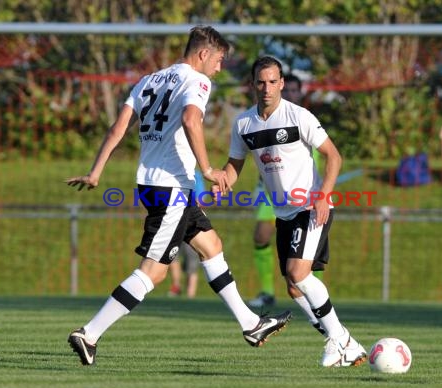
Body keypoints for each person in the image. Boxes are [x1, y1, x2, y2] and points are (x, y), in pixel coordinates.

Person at [64, 27, 291, 366]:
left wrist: (96, 172)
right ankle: (90, 333)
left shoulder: (148, 81)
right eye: (218, 61)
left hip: (158, 185)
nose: (218, 68)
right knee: (153, 272)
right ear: (203, 54)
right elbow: (190, 119)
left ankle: (250, 323)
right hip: (171, 188)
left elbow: (119, 127)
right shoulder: (197, 81)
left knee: (210, 246)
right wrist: (209, 169)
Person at [216, 56, 367, 367]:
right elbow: (234, 167)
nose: (267, 88)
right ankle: (344, 344)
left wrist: (324, 196)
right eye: (261, 82)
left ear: (282, 84)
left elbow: (333, 157)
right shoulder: (244, 124)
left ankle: (340, 339)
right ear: (252, 84)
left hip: (310, 206)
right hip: (282, 211)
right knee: (293, 285)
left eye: (273, 82)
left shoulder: (299, 116)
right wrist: (221, 181)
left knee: (299, 273)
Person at [248, 74, 325, 316]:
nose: (290, 93)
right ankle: (267, 291)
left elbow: (324, 156)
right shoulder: (260, 117)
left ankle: (313, 291)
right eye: (288, 89)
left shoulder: (303, 118)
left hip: (302, 194)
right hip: (271, 192)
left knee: (303, 260)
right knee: (261, 235)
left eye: (294, 90)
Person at [168, 170, 204, 298]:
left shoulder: (195, 175)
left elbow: (201, 199)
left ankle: (190, 295)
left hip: (190, 221)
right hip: (173, 221)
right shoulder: (170, 172)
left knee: (192, 262)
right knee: (172, 255)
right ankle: (176, 286)